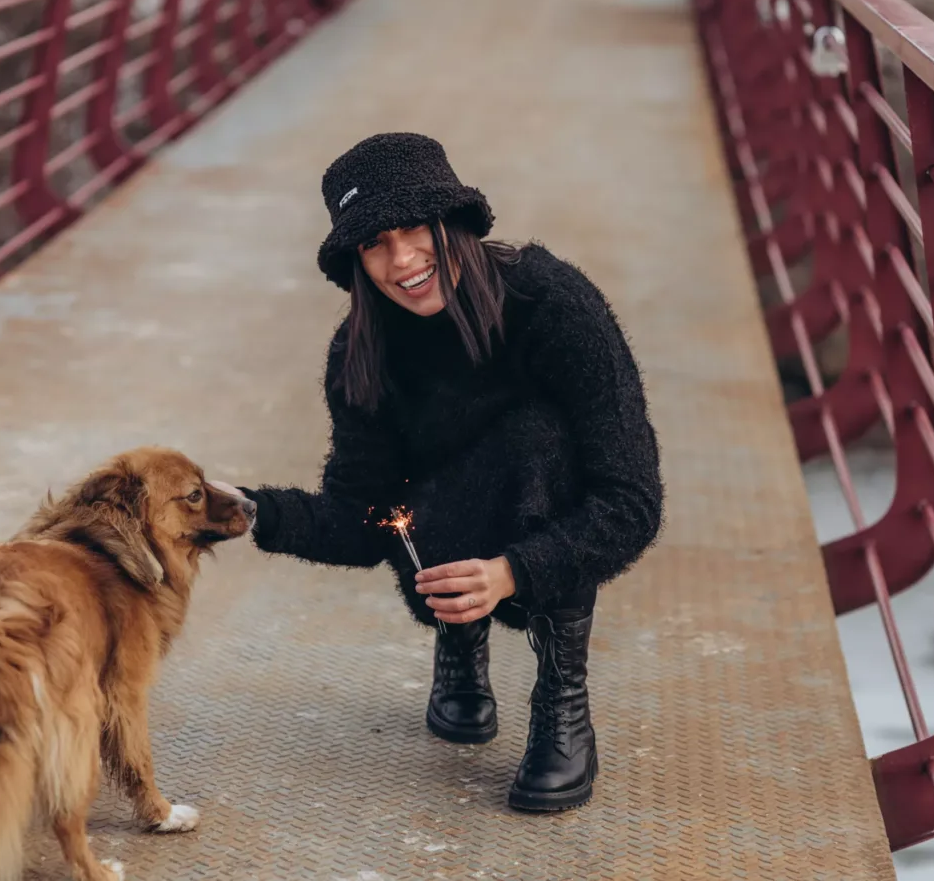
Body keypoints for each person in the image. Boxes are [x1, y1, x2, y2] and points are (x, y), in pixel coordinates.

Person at [230, 132, 663, 812]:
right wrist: (252, 510)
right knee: (417, 485)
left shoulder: (552, 303)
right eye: (375, 242)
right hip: (437, 537)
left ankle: (563, 696)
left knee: (537, 438)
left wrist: (512, 573)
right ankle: (460, 646)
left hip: (541, 506)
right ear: (355, 260)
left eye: (412, 229)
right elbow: (363, 518)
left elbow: (631, 501)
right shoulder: (359, 353)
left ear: (453, 222)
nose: (401, 260)